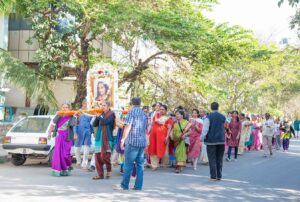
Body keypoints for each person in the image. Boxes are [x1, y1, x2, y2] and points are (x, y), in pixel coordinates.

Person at [114, 97, 148, 190]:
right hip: (141, 142)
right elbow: (145, 128)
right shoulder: (144, 114)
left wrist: (123, 139)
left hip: (132, 142)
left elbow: (128, 126)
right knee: (140, 165)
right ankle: (138, 186)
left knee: (128, 164)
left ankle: (124, 185)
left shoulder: (131, 112)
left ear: (131, 104)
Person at [47, 103, 76, 177]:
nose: (65, 108)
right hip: (59, 136)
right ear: (61, 108)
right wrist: (49, 133)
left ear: (69, 108)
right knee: (58, 154)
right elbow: (52, 124)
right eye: (63, 107)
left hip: (67, 136)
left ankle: (67, 167)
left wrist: (74, 116)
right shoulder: (58, 115)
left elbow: (73, 125)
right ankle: (59, 171)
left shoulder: (71, 116)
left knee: (66, 154)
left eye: (66, 107)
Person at [201, 102, 226, 181]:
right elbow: (225, 127)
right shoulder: (223, 117)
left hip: (211, 140)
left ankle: (213, 176)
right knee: (219, 158)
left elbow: (205, 130)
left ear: (211, 107)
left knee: (212, 159)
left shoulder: (208, 117)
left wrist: (201, 138)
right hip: (221, 140)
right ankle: (219, 176)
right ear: (218, 107)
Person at [92, 101, 115, 180]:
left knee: (105, 156)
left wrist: (99, 116)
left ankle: (109, 170)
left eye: (104, 105)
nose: (102, 106)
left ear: (108, 106)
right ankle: (100, 174)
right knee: (97, 156)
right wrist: (96, 116)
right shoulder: (100, 114)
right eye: (102, 105)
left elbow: (106, 122)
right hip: (99, 137)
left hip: (107, 137)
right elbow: (94, 124)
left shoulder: (111, 114)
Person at [148, 104, 173, 170]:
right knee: (153, 149)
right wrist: (148, 133)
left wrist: (167, 137)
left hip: (162, 137)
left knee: (164, 151)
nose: (161, 111)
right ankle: (154, 165)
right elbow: (152, 125)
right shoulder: (155, 116)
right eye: (160, 109)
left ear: (166, 110)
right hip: (153, 136)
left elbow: (169, 128)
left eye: (163, 109)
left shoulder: (168, 118)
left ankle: (165, 164)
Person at [74, 99, 93, 169]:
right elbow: (75, 123)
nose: (86, 105)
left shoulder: (91, 112)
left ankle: (84, 163)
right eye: (85, 103)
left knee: (86, 149)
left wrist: (92, 131)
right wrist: (75, 133)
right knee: (76, 149)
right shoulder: (78, 112)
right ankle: (78, 161)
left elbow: (93, 122)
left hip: (87, 132)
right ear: (82, 104)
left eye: (87, 104)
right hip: (79, 132)